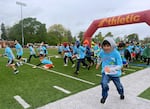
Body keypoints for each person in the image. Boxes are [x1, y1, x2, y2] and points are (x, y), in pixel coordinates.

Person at [96, 37, 124, 104]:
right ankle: (104, 96)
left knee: (119, 86)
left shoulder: (116, 53)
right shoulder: (102, 52)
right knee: (103, 83)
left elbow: (120, 65)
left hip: (115, 73)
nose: (106, 48)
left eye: (108, 46)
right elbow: (100, 57)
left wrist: (112, 69)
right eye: (104, 46)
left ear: (112, 45)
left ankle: (121, 93)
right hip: (106, 72)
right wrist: (98, 63)